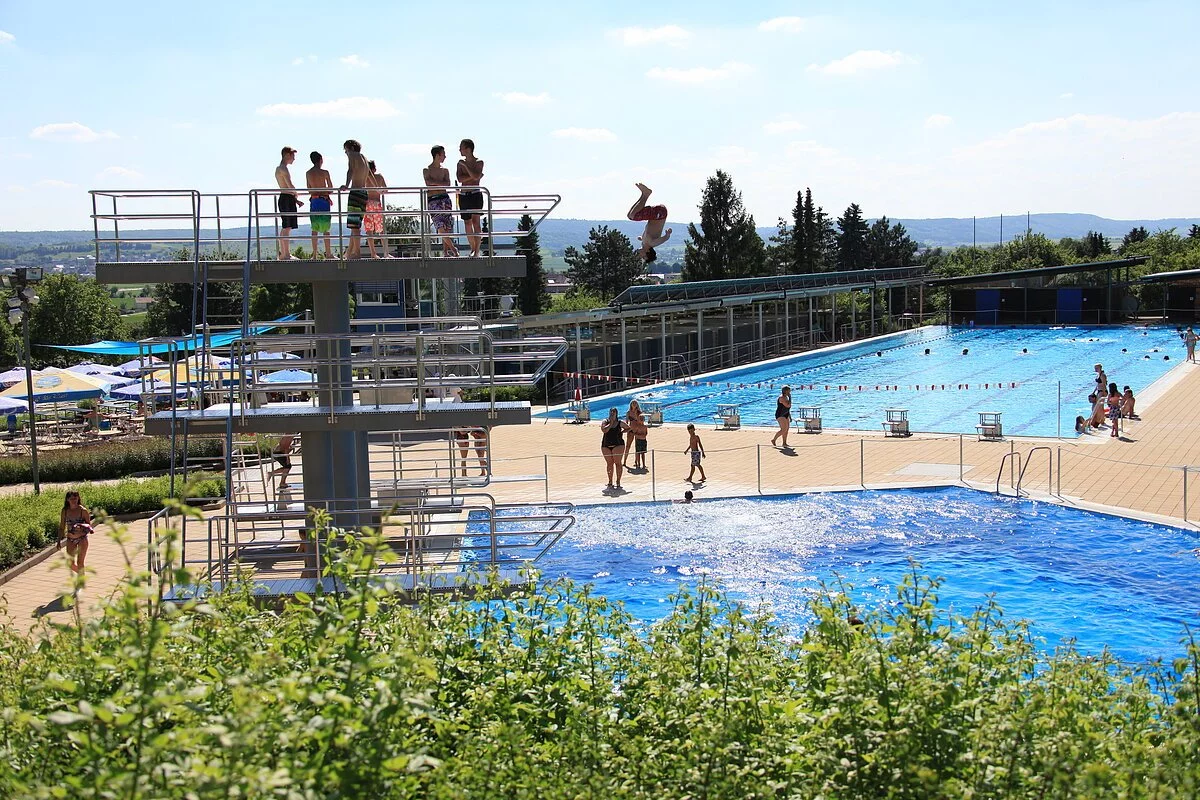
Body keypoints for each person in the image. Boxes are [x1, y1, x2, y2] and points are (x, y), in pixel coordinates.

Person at [339, 139, 372, 260]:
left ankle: (357, 253)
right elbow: (369, 176)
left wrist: (346, 185)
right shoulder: (364, 158)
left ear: (351, 148)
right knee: (355, 225)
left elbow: (350, 170)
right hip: (364, 193)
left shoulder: (353, 155)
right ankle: (349, 253)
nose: (346, 153)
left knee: (354, 226)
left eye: (346, 150)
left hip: (356, 192)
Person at [423, 145, 459, 257]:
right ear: (437, 155)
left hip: (445, 199)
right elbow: (428, 183)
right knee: (440, 226)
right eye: (443, 154)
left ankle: (446, 251)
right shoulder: (427, 170)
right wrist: (439, 183)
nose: (445, 156)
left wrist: (435, 183)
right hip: (433, 201)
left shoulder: (445, 170)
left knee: (447, 226)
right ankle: (453, 249)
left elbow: (447, 184)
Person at [626, 182, 672, 263]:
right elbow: (664, 239)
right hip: (660, 214)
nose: (639, 256)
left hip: (657, 215)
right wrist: (667, 234)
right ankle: (646, 194)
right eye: (643, 256)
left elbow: (647, 235)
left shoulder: (645, 242)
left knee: (630, 215)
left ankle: (644, 194)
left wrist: (641, 238)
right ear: (647, 252)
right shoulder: (652, 243)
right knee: (633, 216)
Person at [456, 138, 485, 257]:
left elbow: (476, 176)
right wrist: (473, 176)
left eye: (461, 147)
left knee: (476, 222)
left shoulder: (479, 162)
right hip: (464, 195)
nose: (459, 150)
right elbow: (460, 179)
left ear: (468, 149)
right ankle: (472, 248)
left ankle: (477, 250)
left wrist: (467, 168)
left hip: (475, 194)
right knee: (467, 223)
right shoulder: (459, 163)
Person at [275, 146, 304, 260]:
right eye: (293, 156)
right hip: (286, 198)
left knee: (286, 227)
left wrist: (295, 199)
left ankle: (284, 253)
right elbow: (289, 185)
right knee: (287, 227)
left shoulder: (280, 168)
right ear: (287, 155)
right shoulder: (283, 168)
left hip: (286, 197)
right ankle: (285, 254)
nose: (294, 159)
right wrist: (296, 194)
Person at [305, 151, 334, 259]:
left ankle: (314, 254)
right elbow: (330, 188)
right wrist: (325, 192)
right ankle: (329, 253)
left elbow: (309, 189)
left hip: (314, 201)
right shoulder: (325, 172)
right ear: (321, 160)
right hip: (324, 201)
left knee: (314, 228)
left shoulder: (308, 173)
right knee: (326, 229)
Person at [59, 490, 93, 574]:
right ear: (67, 500)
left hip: (82, 538)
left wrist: (81, 529)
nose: (74, 501)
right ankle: (82, 574)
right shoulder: (65, 511)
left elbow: (89, 526)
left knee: (80, 562)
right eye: (71, 499)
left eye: (75, 498)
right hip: (70, 538)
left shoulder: (83, 511)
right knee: (70, 563)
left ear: (78, 498)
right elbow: (62, 526)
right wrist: (58, 541)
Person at [600, 407, 628, 489]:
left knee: (617, 463)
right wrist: (611, 424)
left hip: (618, 444)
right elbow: (604, 430)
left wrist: (622, 432)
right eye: (611, 412)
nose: (612, 413)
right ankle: (610, 481)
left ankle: (618, 480)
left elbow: (628, 428)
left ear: (616, 414)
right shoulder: (605, 421)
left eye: (614, 412)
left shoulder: (620, 423)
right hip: (606, 444)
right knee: (609, 463)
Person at [622, 399, 642, 468]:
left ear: (637, 405)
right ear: (630, 404)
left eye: (635, 403)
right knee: (628, 446)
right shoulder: (628, 412)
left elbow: (641, 423)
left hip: (637, 431)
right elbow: (626, 423)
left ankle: (636, 461)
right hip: (630, 431)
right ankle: (624, 461)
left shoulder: (639, 412)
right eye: (633, 403)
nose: (634, 404)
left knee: (637, 447)